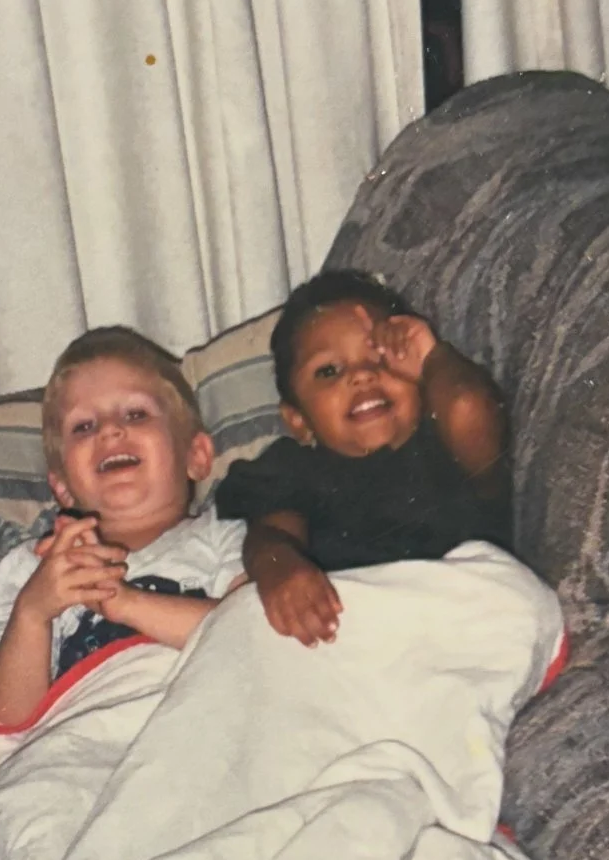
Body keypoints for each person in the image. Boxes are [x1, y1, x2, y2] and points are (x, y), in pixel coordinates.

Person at [0, 327, 246, 724]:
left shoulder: (227, 535)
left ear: (195, 455)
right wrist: (33, 612)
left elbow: (248, 635)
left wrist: (124, 602)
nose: (110, 430)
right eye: (84, 427)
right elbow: (10, 713)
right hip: (82, 748)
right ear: (61, 486)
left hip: (199, 722)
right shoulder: (36, 569)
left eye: (135, 414)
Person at [214, 269, 511, 649]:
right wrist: (280, 567)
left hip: (462, 620)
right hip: (356, 633)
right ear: (299, 421)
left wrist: (432, 356)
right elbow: (270, 535)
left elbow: (468, 407)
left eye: (381, 358)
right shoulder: (296, 469)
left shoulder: (446, 442)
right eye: (329, 371)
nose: (362, 376)